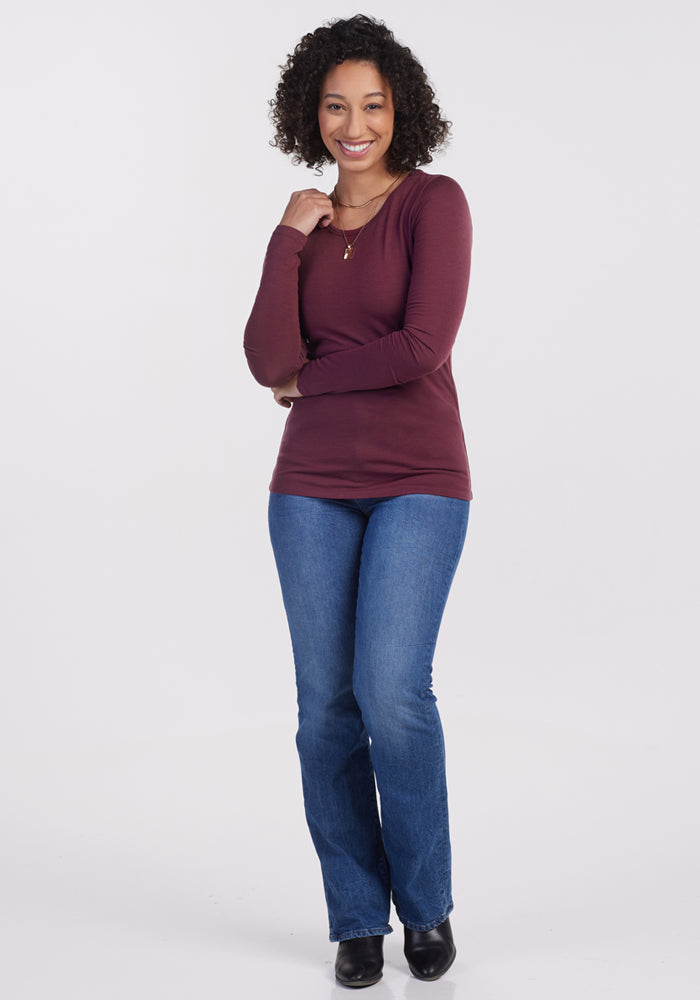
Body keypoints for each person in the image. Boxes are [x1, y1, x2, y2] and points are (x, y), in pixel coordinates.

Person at [244, 14, 473, 988]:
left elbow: (421, 347)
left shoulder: (433, 203)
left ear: (399, 111)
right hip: (308, 488)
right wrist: (285, 236)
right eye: (335, 107)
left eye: (372, 106)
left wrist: (311, 379)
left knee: (393, 694)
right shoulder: (304, 227)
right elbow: (266, 359)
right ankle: (354, 919)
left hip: (420, 479)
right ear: (311, 115)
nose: (354, 125)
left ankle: (425, 905)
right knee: (324, 711)